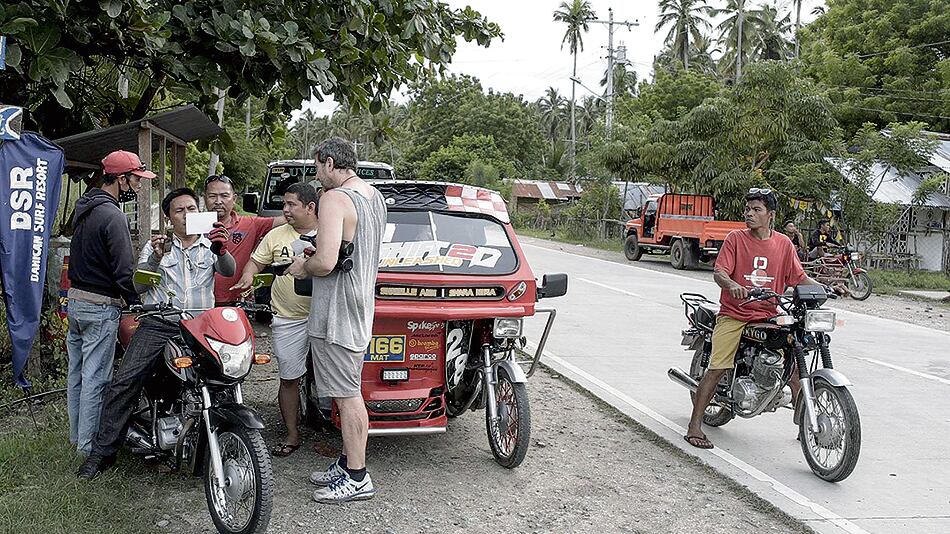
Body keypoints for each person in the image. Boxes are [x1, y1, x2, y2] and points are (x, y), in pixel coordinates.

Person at [77, 188, 235, 479]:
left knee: (225, 375)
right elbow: (137, 286)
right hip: (160, 323)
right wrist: (156, 260)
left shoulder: (210, 244)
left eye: (191, 209)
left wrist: (222, 249)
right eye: (179, 211)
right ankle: (101, 455)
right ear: (168, 218)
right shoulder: (157, 247)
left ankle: (225, 442)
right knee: (125, 381)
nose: (186, 215)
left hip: (201, 325)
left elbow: (228, 271)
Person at [288, 137, 386, 503]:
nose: (316, 175)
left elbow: (327, 262)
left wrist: (303, 265)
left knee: (347, 396)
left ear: (330, 163)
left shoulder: (333, 198)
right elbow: (353, 248)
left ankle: (358, 477)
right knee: (349, 389)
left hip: (337, 311)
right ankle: (347, 463)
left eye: (317, 167)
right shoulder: (374, 196)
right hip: (360, 305)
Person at [684, 188, 822, 450]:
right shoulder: (735, 239)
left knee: (795, 366)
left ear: (771, 215)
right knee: (718, 368)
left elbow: (799, 277)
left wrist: (824, 289)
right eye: (748, 209)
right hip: (735, 314)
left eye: (757, 210)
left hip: (769, 314)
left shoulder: (784, 244)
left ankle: (805, 427)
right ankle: (694, 426)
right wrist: (732, 285)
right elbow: (720, 272)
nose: (750, 214)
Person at [66, 150, 155, 456]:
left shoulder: (85, 208)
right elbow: (124, 270)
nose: (139, 186)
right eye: (136, 180)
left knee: (77, 375)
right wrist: (136, 301)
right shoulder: (113, 215)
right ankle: (88, 448)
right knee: (96, 379)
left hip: (76, 302)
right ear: (120, 180)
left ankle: (76, 438)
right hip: (100, 306)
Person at [231, 182, 320, 458]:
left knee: (333, 378)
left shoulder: (329, 232)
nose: (286, 210)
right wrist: (248, 275)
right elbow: (256, 262)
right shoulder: (276, 235)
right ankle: (292, 434)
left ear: (310, 207)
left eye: (292, 204)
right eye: (284, 204)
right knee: (289, 378)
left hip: (324, 316)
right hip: (288, 318)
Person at [203, 174, 284, 305]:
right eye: (212, 196)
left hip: (237, 301)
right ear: (204, 198)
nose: (218, 201)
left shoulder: (250, 224)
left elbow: (288, 219)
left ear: (234, 198)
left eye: (224, 196)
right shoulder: (191, 227)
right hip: (201, 302)